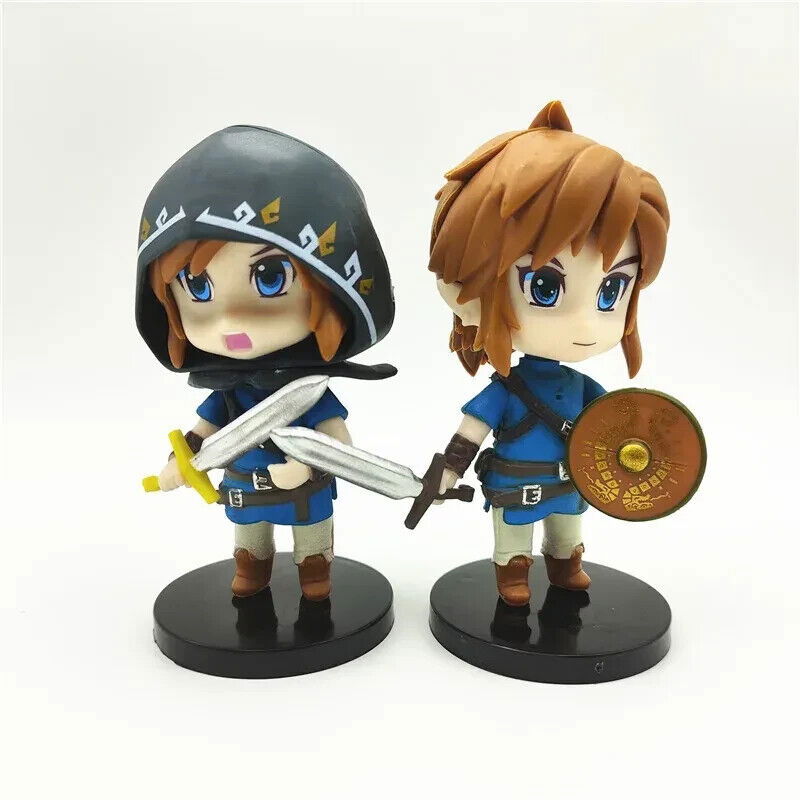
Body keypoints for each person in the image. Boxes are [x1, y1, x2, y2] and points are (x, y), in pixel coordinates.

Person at [136, 125, 395, 601]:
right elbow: (201, 432)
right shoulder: (229, 394)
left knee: (312, 549)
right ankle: (252, 570)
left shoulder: (308, 393)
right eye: (198, 288)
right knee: (250, 549)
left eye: (270, 276)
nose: (231, 319)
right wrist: (180, 463)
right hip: (245, 488)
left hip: (303, 491)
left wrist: (308, 465)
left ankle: (315, 574)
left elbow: (338, 442)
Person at [430, 101, 669, 606]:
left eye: (611, 291)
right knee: (514, 539)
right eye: (544, 286)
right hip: (515, 485)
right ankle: (513, 575)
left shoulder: (582, 389)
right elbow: (470, 432)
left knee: (566, 534)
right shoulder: (505, 391)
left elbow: (617, 423)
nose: (585, 325)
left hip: (570, 483)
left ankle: (565, 566)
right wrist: (448, 470)